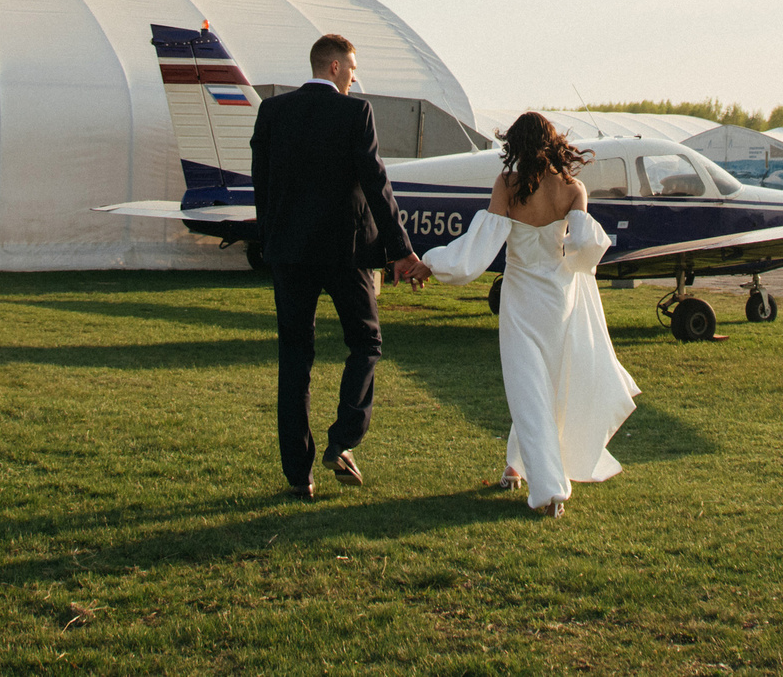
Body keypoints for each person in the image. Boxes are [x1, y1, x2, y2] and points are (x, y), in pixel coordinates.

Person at [422, 112, 640, 517]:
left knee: (529, 390)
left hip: (520, 299)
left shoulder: (508, 185)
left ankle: (551, 491)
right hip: (558, 299)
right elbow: (584, 252)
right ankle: (514, 466)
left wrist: (435, 263)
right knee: (541, 390)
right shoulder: (573, 189)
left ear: (516, 146)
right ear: (553, 143)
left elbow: (481, 243)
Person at [248, 31, 431, 500]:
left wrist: (270, 240)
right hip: (346, 253)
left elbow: (261, 184)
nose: (354, 76)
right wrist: (401, 251)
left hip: (289, 255)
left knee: (295, 361)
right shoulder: (354, 113)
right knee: (366, 343)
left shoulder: (272, 112)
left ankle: (297, 476)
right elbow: (375, 183)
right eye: (352, 67)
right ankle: (344, 439)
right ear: (333, 67)